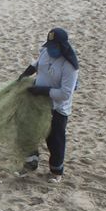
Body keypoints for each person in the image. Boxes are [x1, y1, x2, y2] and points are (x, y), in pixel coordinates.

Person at [19, 28, 79, 183]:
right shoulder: (46, 52)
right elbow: (38, 63)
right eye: (50, 45)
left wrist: (42, 91)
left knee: (55, 139)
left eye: (54, 46)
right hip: (37, 102)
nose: (51, 49)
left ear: (62, 46)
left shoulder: (69, 67)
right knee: (28, 131)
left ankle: (56, 171)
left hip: (56, 108)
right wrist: (26, 73)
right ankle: (31, 161)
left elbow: (66, 93)